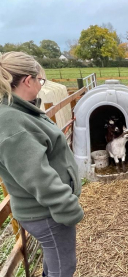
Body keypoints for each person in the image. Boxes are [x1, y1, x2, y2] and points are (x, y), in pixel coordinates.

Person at [0, 52, 84, 277]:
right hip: (47, 213)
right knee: (63, 268)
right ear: (28, 80)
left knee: (55, 261)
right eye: (40, 80)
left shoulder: (21, 110)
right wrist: (68, 206)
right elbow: (36, 175)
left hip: (46, 210)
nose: (41, 85)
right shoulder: (11, 122)